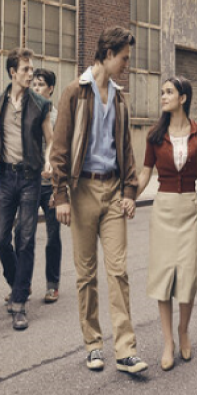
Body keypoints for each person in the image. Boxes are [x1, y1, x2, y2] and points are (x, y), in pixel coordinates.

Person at [49, 26, 148, 374]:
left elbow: (127, 152)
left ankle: (125, 349)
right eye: (124, 58)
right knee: (86, 275)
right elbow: (59, 149)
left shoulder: (120, 98)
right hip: (81, 193)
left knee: (119, 271)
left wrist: (130, 191)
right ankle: (93, 345)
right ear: (108, 55)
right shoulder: (75, 92)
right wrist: (60, 196)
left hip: (113, 192)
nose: (126, 65)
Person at [136, 76, 197, 371]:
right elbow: (145, 174)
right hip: (164, 209)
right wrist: (130, 197)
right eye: (162, 92)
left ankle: (184, 330)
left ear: (183, 98)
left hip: (190, 209)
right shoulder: (155, 136)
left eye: (169, 92)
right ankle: (167, 341)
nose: (163, 96)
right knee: (163, 277)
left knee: (188, 276)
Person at [0, 49, 53, 331]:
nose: (31, 74)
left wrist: (49, 160)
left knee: (25, 239)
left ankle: (19, 303)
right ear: (13, 73)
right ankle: (18, 285)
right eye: (25, 70)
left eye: (32, 70)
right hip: (6, 177)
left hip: (30, 178)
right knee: (0, 239)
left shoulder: (40, 104)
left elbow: (51, 140)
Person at [30, 68, 62, 304]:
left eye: (40, 84)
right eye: (33, 84)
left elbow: (62, 153)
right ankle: (23, 284)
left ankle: (52, 285)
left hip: (50, 186)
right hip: (29, 184)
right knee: (24, 235)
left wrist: (60, 186)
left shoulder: (58, 118)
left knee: (52, 236)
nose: (36, 88)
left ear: (50, 88)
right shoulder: (27, 114)